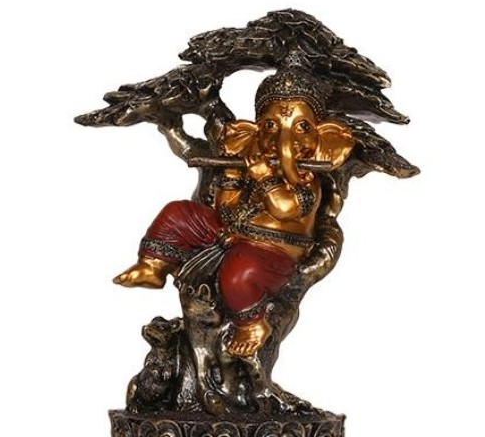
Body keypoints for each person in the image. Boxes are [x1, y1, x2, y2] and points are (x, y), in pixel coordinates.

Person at [114, 68, 353, 357]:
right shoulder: (252, 165)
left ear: (324, 139)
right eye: (270, 127)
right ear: (251, 134)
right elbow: (226, 209)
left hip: (273, 251)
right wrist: (232, 175)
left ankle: (251, 324)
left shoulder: (306, 182)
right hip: (230, 233)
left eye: (301, 128)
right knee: (177, 213)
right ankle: (153, 265)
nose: (283, 140)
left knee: (240, 273)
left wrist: (264, 178)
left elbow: (284, 208)